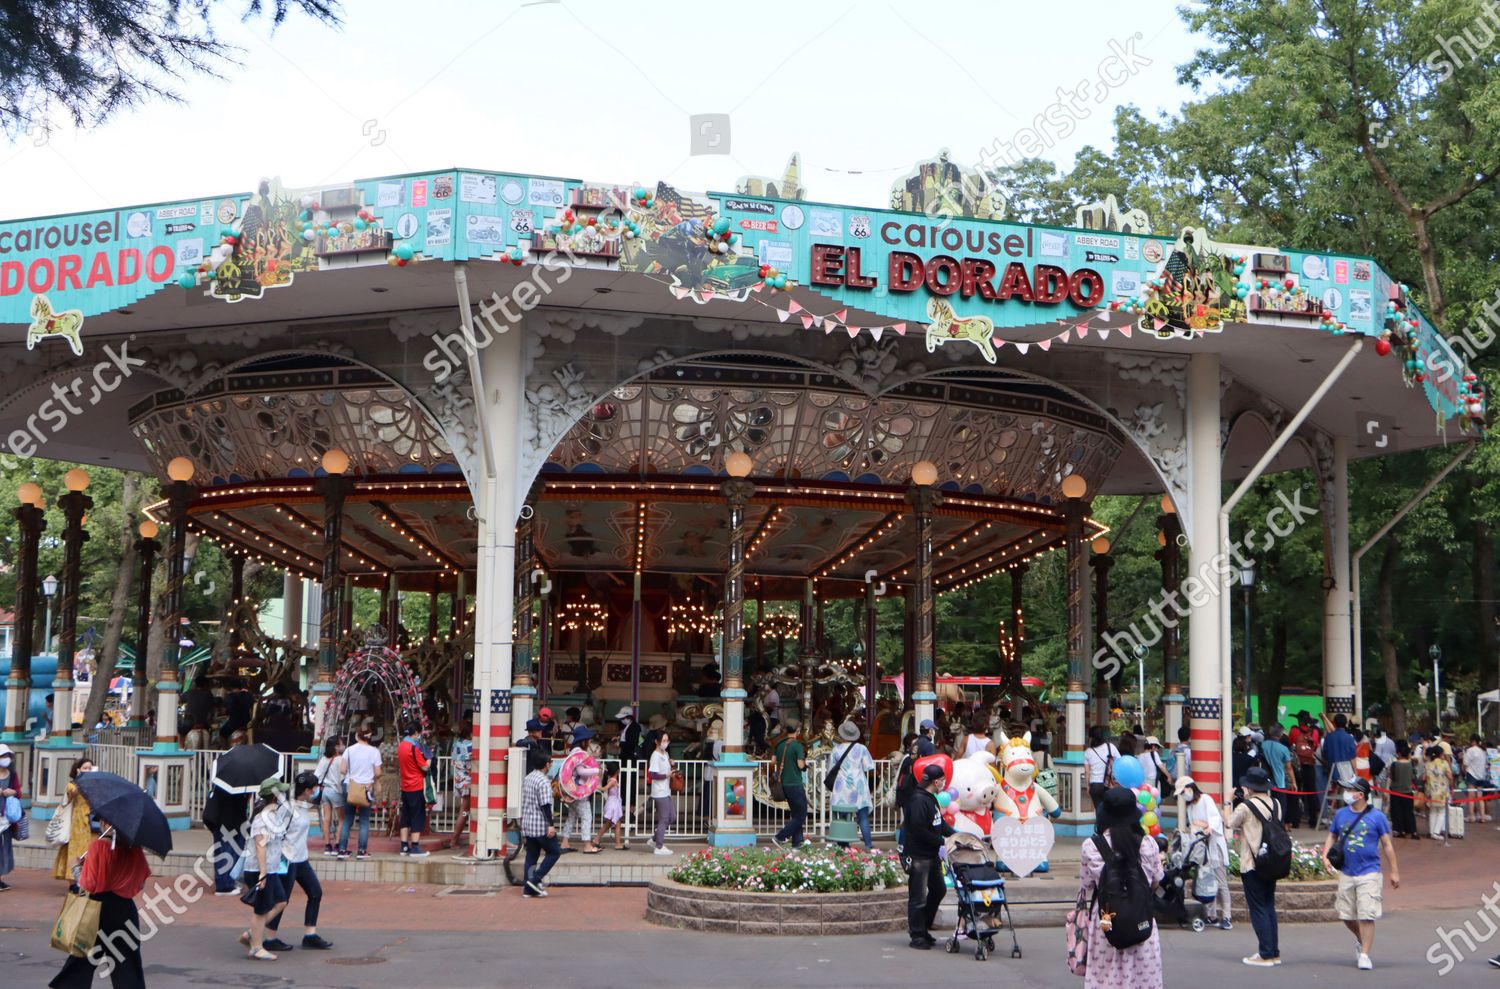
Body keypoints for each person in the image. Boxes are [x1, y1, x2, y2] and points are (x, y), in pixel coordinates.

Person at [1076, 786, 1165, 986]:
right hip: (1141, 917)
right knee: (1142, 980)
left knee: (1105, 979)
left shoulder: (1091, 846)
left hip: (1106, 921)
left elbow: (1087, 884)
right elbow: (1156, 880)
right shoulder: (1148, 843)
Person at [48, 824, 152, 989]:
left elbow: (88, 884)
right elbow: (140, 884)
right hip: (125, 909)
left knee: (82, 958)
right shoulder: (134, 849)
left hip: (97, 908)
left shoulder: (98, 846)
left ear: (106, 824)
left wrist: (77, 868)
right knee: (127, 962)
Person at [1321, 776, 1399, 971]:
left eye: (1350, 789)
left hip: (1370, 871)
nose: (1346, 792)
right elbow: (1332, 835)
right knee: (1346, 915)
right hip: (1347, 871)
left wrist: (1394, 871)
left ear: (1361, 794)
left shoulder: (1377, 817)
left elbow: (1387, 844)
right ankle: (1360, 938)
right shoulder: (1340, 814)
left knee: (1366, 914)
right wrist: (1325, 856)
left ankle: (1364, 954)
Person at [263, 771, 333, 951]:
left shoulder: (303, 806)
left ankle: (310, 935)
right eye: (316, 787)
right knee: (282, 900)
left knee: (315, 893)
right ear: (308, 790)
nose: (318, 790)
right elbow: (275, 832)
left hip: (301, 859)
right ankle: (269, 938)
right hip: (287, 859)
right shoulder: (287, 809)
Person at [1227, 767, 1282, 966]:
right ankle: (1273, 952)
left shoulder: (1245, 807)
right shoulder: (1276, 803)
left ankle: (1265, 954)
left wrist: (1228, 801)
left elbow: (1230, 823)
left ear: (1249, 787)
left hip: (1252, 863)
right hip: (1272, 862)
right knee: (1268, 906)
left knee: (1258, 908)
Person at [905, 763, 956, 949]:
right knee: (918, 897)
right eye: (942, 780)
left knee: (939, 890)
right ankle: (917, 935)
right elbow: (918, 830)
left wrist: (956, 835)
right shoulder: (918, 801)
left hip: (932, 855)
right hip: (920, 856)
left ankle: (924, 927)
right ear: (935, 781)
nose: (944, 783)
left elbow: (939, 823)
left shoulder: (931, 798)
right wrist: (941, 841)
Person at [241, 777, 292, 961]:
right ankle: (256, 947)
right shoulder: (262, 818)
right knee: (261, 909)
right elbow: (260, 845)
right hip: (260, 870)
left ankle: (252, 933)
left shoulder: (272, 815)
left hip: (271, 869)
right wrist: (263, 874)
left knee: (280, 901)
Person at [1176, 776, 1230, 929]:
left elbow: (1214, 820)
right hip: (1201, 848)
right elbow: (1194, 825)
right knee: (1206, 881)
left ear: (1191, 787)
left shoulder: (1205, 799)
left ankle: (1226, 916)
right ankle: (1211, 915)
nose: (1183, 795)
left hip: (1214, 845)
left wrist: (1207, 827)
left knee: (1220, 882)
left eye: (1183, 791)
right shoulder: (1190, 807)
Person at [828, 721, 876, 850]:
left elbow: (830, 769)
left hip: (842, 787)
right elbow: (868, 766)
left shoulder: (836, 749)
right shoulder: (861, 749)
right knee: (863, 817)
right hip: (858, 787)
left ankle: (844, 844)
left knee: (843, 816)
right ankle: (868, 844)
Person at [520, 748, 560, 896]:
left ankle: (528, 888)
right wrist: (551, 825)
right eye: (550, 762)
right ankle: (535, 879)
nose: (551, 764)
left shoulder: (529, 777)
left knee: (531, 855)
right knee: (554, 852)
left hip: (528, 824)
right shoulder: (543, 781)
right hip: (540, 825)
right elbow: (545, 805)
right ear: (546, 764)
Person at [336, 728, 381, 859]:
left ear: (357, 736)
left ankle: (342, 850)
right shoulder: (374, 752)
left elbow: (342, 770)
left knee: (347, 819)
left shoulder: (349, 750)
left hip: (349, 787)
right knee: (364, 820)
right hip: (366, 788)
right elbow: (378, 773)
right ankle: (362, 851)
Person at [561, 725, 601, 853]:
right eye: (588, 739)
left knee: (572, 817)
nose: (589, 742)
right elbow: (580, 770)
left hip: (572, 791)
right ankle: (587, 845)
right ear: (583, 740)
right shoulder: (578, 753)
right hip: (579, 792)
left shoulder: (574, 752)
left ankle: (565, 842)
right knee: (586, 817)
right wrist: (596, 770)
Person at [771, 718, 807, 849]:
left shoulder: (779, 744)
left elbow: (773, 761)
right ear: (798, 730)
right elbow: (800, 764)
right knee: (802, 814)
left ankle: (797, 843)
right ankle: (780, 837)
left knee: (796, 814)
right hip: (795, 783)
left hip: (783, 784)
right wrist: (804, 766)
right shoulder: (797, 745)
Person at [397, 723, 431, 857]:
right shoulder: (413, 748)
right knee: (417, 816)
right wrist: (428, 760)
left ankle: (404, 846)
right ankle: (415, 847)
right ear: (416, 733)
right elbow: (424, 768)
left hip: (405, 785)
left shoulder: (401, 746)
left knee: (405, 815)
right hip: (416, 785)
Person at [314, 737, 345, 857]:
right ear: (336, 747)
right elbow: (342, 777)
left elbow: (317, 775)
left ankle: (327, 845)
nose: (343, 746)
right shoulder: (340, 760)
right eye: (341, 744)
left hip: (324, 791)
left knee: (327, 819)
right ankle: (337, 844)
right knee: (342, 819)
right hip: (336, 791)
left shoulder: (323, 759)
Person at [647, 728, 676, 855]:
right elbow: (652, 775)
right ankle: (659, 846)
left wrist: (671, 764)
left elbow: (666, 769)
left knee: (672, 817)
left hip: (666, 790)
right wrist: (666, 775)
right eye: (663, 740)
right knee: (664, 818)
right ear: (656, 742)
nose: (666, 742)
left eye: (667, 740)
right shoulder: (655, 756)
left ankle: (655, 839)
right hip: (659, 792)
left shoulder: (665, 754)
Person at [1259, 724, 1295, 821]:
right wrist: (1293, 782)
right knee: (1280, 806)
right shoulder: (1283, 749)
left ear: (1270, 732)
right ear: (1281, 734)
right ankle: (1278, 825)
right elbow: (1289, 767)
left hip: (1264, 779)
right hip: (1279, 781)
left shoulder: (1262, 745)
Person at [1387, 739, 1418, 838]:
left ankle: (1399, 830)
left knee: (1397, 811)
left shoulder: (1395, 764)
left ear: (1399, 753)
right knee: (1409, 812)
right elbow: (1413, 777)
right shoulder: (1411, 764)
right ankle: (1412, 830)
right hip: (1408, 791)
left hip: (1396, 791)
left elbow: (1391, 777)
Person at [1083, 726, 1119, 809]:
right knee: (1110, 809)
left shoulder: (1088, 752)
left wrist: (1088, 786)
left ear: (1091, 738)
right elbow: (1119, 762)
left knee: (1099, 809)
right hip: (1108, 783)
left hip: (1095, 785)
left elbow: (1087, 772)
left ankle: (1100, 821)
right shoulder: (1111, 747)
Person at [449, 722, 473, 850]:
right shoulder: (471, 746)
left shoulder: (456, 744)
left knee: (463, 811)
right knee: (464, 812)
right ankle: (454, 840)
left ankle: (455, 839)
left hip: (459, 781)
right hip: (468, 782)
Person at [1424, 744, 1452, 842]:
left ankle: (1432, 832)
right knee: (1442, 812)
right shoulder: (1444, 763)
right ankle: (1436, 832)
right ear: (1440, 754)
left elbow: (1424, 777)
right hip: (1442, 792)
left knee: (1432, 811)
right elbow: (1450, 776)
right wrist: (1452, 785)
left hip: (1431, 791)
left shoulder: (1428, 764)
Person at [0, 744, 18, 892]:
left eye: (7, 756)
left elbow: (18, 791)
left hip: (7, 817)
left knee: (5, 846)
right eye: (3, 756)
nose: (6, 759)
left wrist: (12, 792)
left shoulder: (13, 774)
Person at [1463, 734, 1492, 823]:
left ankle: (1471, 816)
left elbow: (1465, 763)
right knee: (1480, 797)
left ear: (1473, 741)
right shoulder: (1483, 751)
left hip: (1472, 774)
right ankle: (1482, 816)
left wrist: (1464, 771)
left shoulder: (1470, 750)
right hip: (1481, 775)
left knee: (1471, 797)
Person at [597, 764, 626, 850]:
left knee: (610, 824)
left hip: (613, 803)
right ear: (618, 771)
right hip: (613, 804)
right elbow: (604, 789)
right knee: (616, 823)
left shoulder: (612, 780)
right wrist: (597, 786)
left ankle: (596, 840)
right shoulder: (613, 781)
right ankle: (617, 844)